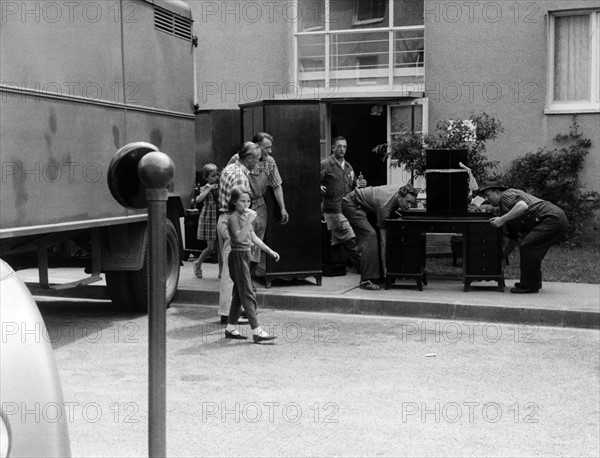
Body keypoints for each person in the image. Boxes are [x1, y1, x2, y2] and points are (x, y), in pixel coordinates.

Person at [480, 182, 568, 294]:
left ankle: (529, 285)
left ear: (497, 192)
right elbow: (513, 239)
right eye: (485, 197)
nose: (486, 199)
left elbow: (522, 206)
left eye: (488, 195)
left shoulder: (506, 195)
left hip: (551, 218)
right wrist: (501, 256)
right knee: (531, 248)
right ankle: (533, 283)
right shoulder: (507, 211)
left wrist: (501, 219)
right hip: (554, 218)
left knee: (527, 246)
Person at [228, 132, 288, 285]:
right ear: (256, 147)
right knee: (241, 243)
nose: (270, 151)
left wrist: (282, 208)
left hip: (260, 206)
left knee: (256, 244)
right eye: (266, 147)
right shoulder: (238, 160)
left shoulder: (270, 161)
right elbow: (228, 181)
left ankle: (250, 277)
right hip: (242, 206)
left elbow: (276, 185)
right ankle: (236, 278)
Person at [224, 185, 280, 343]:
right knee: (248, 293)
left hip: (245, 255)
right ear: (234, 202)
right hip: (238, 256)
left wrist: (269, 251)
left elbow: (253, 238)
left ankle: (230, 328)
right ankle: (257, 331)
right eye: (242, 201)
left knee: (239, 294)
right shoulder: (233, 218)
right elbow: (239, 239)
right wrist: (249, 221)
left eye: (248, 201)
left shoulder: (243, 217)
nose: (246, 204)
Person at [342, 184, 419, 290]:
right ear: (399, 197)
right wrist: (385, 273)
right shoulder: (385, 205)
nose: (409, 206)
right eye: (408, 202)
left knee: (377, 234)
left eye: (412, 203)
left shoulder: (399, 193)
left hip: (365, 205)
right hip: (351, 204)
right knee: (370, 236)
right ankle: (366, 280)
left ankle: (377, 275)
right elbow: (383, 242)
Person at [217, 142, 261, 324]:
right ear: (249, 158)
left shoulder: (230, 168)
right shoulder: (241, 178)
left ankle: (229, 311)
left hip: (223, 220)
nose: (257, 164)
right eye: (256, 160)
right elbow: (241, 208)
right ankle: (228, 314)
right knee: (233, 271)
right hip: (233, 222)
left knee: (229, 269)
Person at [320, 136, 364, 271]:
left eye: (344, 147)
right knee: (349, 237)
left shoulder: (349, 166)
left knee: (343, 239)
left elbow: (354, 184)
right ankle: (363, 267)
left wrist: (360, 184)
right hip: (333, 209)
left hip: (348, 208)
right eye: (339, 146)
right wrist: (318, 186)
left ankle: (348, 266)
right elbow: (312, 180)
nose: (342, 149)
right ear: (333, 147)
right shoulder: (325, 164)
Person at [192, 163, 219, 279]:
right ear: (206, 177)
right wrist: (209, 189)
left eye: (216, 175)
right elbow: (198, 200)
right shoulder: (205, 188)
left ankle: (221, 271)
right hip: (209, 218)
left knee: (219, 247)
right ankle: (198, 263)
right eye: (213, 176)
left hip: (218, 217)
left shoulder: (219, 186)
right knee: (211, 247)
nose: (216, 178)